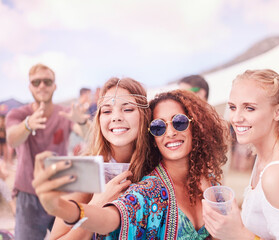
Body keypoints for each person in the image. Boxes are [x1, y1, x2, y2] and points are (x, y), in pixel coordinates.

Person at [32, 89, 229, 239]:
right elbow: (111, 218)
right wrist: (62, 207)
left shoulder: (211, 184)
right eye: (159, 126)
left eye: (179, 122)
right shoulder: (147, 189)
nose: (169, 132)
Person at [203, 69, 279, 240]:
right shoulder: (264, 158)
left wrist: (239, 234)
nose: (236, 118)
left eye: (250, 108)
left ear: (278, 112)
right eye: (232, 107)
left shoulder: (278, 173)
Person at [47, 77, 151, 239]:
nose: (116, 117)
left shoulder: (158, 167)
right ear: (99, 119)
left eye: (128, 109)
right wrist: (96, 208)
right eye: (107, 111)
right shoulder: (84, 169)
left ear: (144, 115)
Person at [5, 63, 90, 240]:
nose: (42, 86)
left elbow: (88, 136)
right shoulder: (18, 114)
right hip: (28, 193)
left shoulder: (64, 113)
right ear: (29, 86)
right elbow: (12, 139)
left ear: (54, 85)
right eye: (36, 82)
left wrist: (82, 122)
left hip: (61, 190)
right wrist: (27, 125)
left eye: (47, 81)